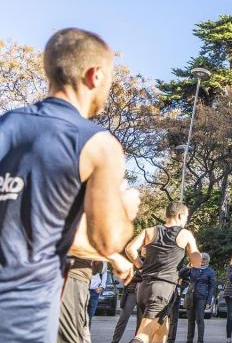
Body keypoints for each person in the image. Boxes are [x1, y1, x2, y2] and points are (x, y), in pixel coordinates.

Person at [0, 27, 139, 342]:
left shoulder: (6, 123)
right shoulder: (98, 144)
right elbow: (108, 239)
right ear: (95, 76)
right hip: (23, 318)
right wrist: (126, 207)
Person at [126, 202, 201, 343]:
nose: (186, 221)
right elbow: (197, 262)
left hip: (144, 288)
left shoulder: (149, 231)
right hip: (163, 289)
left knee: (162, 331)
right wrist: (195, 255)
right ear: (180, 215)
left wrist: (141, 267)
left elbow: (130, 249)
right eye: (186, 217)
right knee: (143, 335)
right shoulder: (185, 234)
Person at [179, 252, 216, 343]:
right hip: (190, 297)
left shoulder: (210, 271)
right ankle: (189, 340)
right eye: (201, 258)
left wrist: (208, 302)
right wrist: (188, 267)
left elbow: (211, 287)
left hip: (202, 298)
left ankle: (200, 340)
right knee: (190, 321)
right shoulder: (193, 268)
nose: (202, 260)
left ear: (208, 261)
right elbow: (181, 274)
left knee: (200, 320)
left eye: (204, 259)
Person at [112, 269, 143, 343]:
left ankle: (137, 341)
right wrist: (138, 278)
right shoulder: (130, 263)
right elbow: (123, 276)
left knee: (141, 321)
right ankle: (114, 341)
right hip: (130, 293)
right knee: (123, 319)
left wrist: (132, 277)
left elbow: (147, 275)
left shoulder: (146, 260)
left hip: (142, 292)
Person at [87, 261, 108, 328]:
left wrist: (102, 286)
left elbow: (105, 271)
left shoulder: (101, 258)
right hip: (83, 289)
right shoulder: (84, 255)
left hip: (94, 291)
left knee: (90, 316)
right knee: (80, 315)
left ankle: (85, 336)